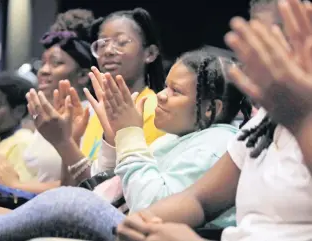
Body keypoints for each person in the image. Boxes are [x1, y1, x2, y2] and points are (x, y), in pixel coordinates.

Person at [0, 48, 252, 241]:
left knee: (70, 202)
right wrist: (109, 139)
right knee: (65, 203)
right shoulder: (177, 137)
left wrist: (127, 135)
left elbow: (151, 210)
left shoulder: (216, 143)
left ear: (212, 109)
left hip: (144, 233)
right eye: (165, 87)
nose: (162, 96)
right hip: (113, 215)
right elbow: (103, 188)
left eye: (175, 92)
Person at [112, 1, 312, 241]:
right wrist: (143, 222)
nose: (253, 55)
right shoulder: (263, 126)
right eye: (253, 39)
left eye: (271, 39)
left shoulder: (290, 118)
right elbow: (198, 200)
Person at [0, 9, 98, 193]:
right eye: (43, 62)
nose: (43, 71)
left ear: (82, 75)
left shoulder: (92, 117)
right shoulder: (49, 116)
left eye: (56, 63)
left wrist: (16, 186)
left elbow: (85, 181)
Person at [80, 8, 166, 160]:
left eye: (121, 42)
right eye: (102, 44)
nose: (108, 51)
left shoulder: (156, 110)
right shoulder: (98, 115)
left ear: (150, 54)